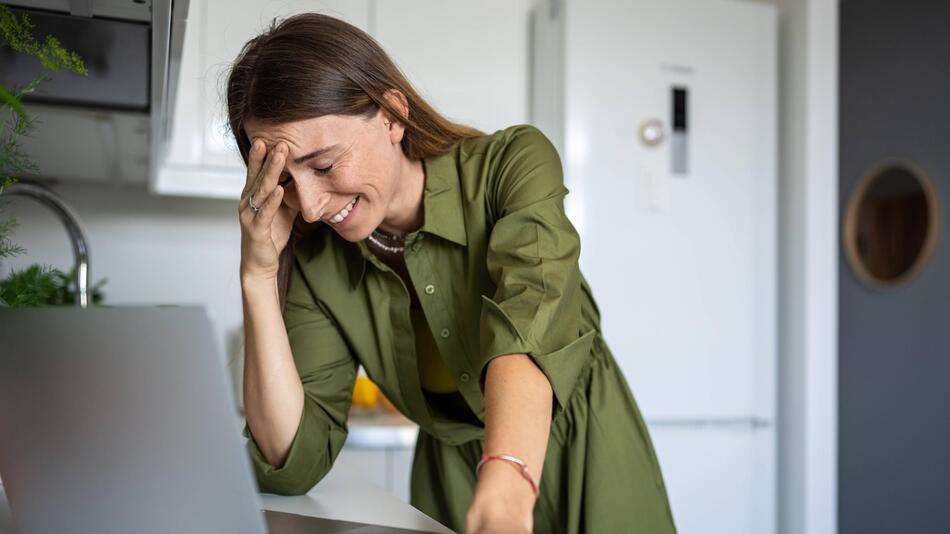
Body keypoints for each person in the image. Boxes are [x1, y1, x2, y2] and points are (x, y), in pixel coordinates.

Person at [229, 12, 676, 534]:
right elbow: (292, 459)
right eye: (284, 179)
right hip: (451, 479)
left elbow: (526, 328)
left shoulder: (511, 166)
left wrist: (507, 482)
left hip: (583, 450)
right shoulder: (318, 259)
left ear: (392, 116)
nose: (307, 207)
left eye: (325, 165)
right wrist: (258, 276)